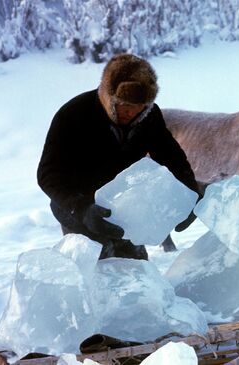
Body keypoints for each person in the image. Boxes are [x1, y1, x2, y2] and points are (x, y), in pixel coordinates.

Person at [37, 54, 199, 260]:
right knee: (98, 271)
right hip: (78, 207)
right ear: (109, 96)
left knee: (137, 275)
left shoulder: (149, 117)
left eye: (139, 107)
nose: (131, 113)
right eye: (124, 106)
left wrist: (189, 195)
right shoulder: (73, 114)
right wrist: (82, 210)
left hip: (124, 209)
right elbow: (47, 175)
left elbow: (172, 157)